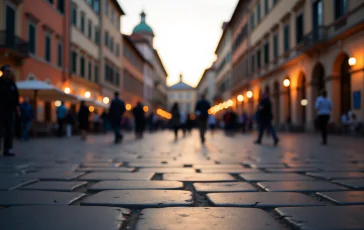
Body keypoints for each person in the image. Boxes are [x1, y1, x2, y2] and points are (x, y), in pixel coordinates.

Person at [0, 65, 20, 156]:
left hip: (10, 111)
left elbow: (16, 97)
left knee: (9, 130)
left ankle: (8, 149)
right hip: (1, 110)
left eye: (10, 71)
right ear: (3, 72)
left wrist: (17, 109)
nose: (9, 73)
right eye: (7, 71)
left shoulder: (12, 84)